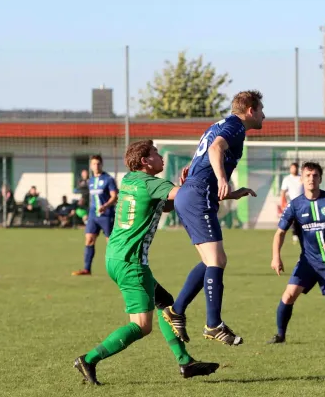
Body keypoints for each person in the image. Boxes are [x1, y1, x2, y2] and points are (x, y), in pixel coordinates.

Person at [73, 140, 219, 385]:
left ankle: (186, 363)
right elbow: (187, 197)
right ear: (144, 161)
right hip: (131, 263)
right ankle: (88, 359)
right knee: (141, 326)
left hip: (115, 257)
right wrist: (210, 180)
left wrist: (180, 186)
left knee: (166, 304)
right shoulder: (152, 183)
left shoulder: (131, 180)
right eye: (155, 153)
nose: (160, 156)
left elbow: (167, 206)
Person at [162, 90, 265, 346]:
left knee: (211, 261)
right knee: (217, 260)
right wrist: (222, 179)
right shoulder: (235, 127)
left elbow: (201, 162)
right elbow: (216, 149)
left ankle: (176, 311)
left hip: (191, 194)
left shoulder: (218, 125)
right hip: (196, 195)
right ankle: (213, 324)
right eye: (262, 110)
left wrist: (230, 193)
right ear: (250, 110)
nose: (264, 115)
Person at [267, 161, 325, 344]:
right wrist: (276, 257)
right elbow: (280, 232)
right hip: (308, 262)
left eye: (315, 176)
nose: (311, 179)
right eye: (307, 175)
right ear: (302, 179)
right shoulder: (295, 205)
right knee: (288, 295)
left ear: (320, 178)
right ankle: (280, 335)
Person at [72, 155, 118, 276]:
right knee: (89, 240)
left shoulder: (108, 179)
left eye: (98, 163)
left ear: (102, 164)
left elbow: (114, 196)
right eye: (94, 164)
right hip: (93, 215)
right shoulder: (91, 181)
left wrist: (106, 206)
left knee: (111, 243)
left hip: (106, 215)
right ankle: (87, 269)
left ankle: (118, 269)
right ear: (91, 166)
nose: (96, 166)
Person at [279, 162, 304, 243]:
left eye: (295, 168)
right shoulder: (287, 179)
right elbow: (283, 192)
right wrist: (283, 202)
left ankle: (303, 234)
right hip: (292, 203)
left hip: (303, 202)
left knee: (303, 219)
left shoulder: (301, 178)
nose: (294, 169)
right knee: (293, 220)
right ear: (290, 169)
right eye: (292, 168)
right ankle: (295, 234)